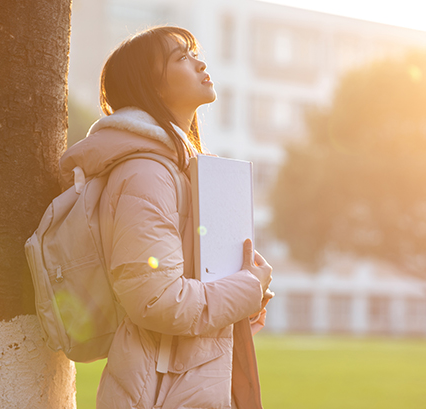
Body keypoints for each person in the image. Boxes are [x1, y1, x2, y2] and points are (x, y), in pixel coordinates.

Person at [59, 26, 273, 409]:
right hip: (158, 395)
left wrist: (244, 301)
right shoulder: (146, 173)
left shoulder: (177, 168)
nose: (200, 63)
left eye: (194, 53)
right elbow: (156, 300)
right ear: (151, 86)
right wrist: (247, 288)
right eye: (182, 57)